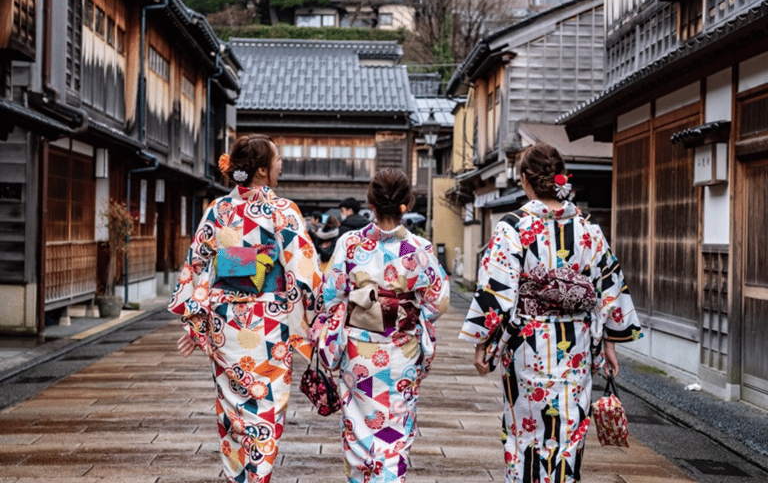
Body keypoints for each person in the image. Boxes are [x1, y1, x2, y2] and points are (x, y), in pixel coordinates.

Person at [459, 143, 643, 483]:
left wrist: (482, 344)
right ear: (560, 178)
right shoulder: (589, 229)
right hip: (576, 345)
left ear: (526, 181)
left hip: (527, 345)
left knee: (527, 432)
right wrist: (610, 344)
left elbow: (496, 293)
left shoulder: (512, 228)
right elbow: (609, 286)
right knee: (569, 431)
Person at [168, 134, 323, 483]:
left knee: (232, 409)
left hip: (226, 327)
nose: (281, 165)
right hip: (269, 327)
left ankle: (236, 475)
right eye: (278, 159)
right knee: (265, 410)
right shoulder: (282, 212)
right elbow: (307, 274)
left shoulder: (217, 211)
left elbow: (198, 267)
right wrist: (321, 317)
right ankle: (257, 478)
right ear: (264, 171)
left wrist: (196, 323)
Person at [312, 169, 450, 483]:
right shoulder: (420, 249)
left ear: (370, 203)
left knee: (359, 430)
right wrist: (403, 311)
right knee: (395, 430)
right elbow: (438, 302)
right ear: (407, 202)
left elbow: (331, 295)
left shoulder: (350, 244)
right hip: (403, 352)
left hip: (359, 353)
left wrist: (361, 304)